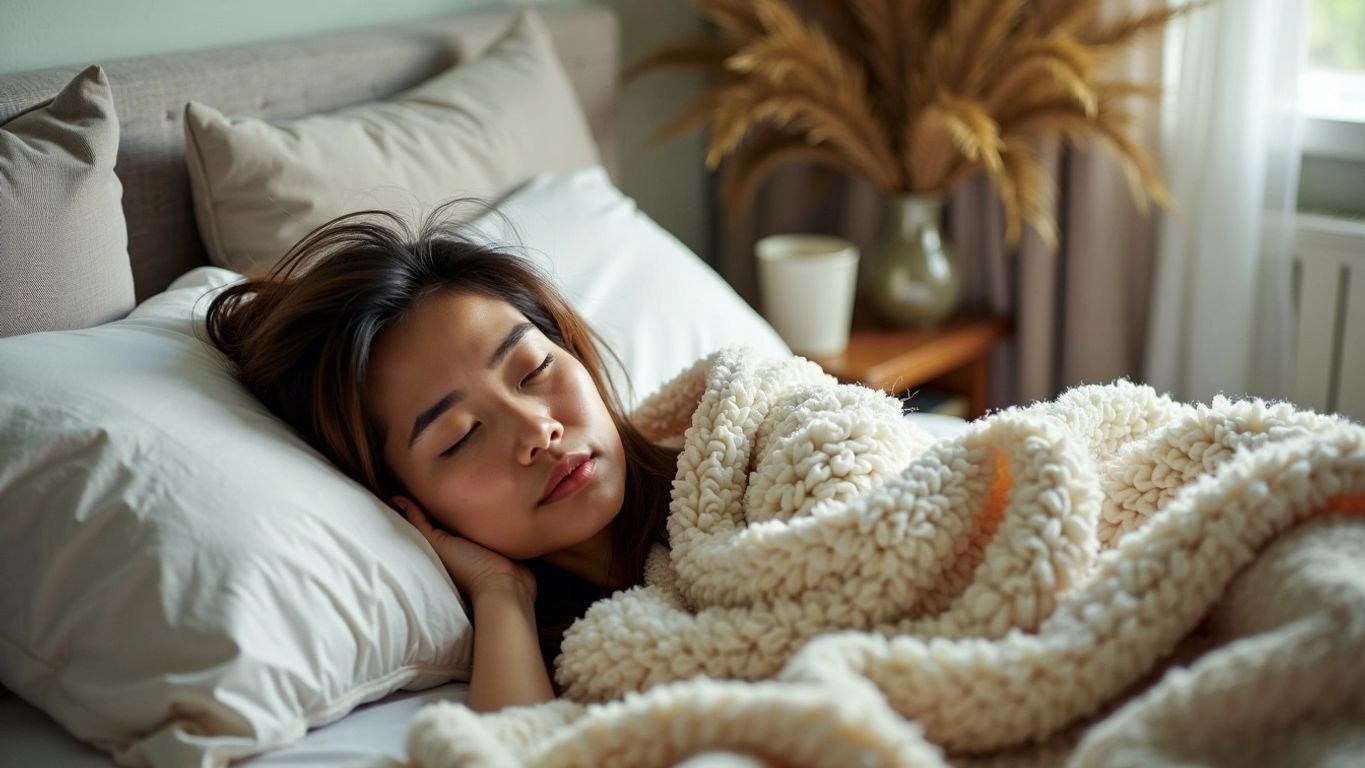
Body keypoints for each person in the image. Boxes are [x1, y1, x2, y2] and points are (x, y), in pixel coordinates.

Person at [204, 207, 679, 713]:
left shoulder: (745, 453)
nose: (538, 431)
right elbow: (519, 746)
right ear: (404, 502)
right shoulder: (553, 657)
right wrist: (501, 594)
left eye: (533, 369)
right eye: (460, 436)